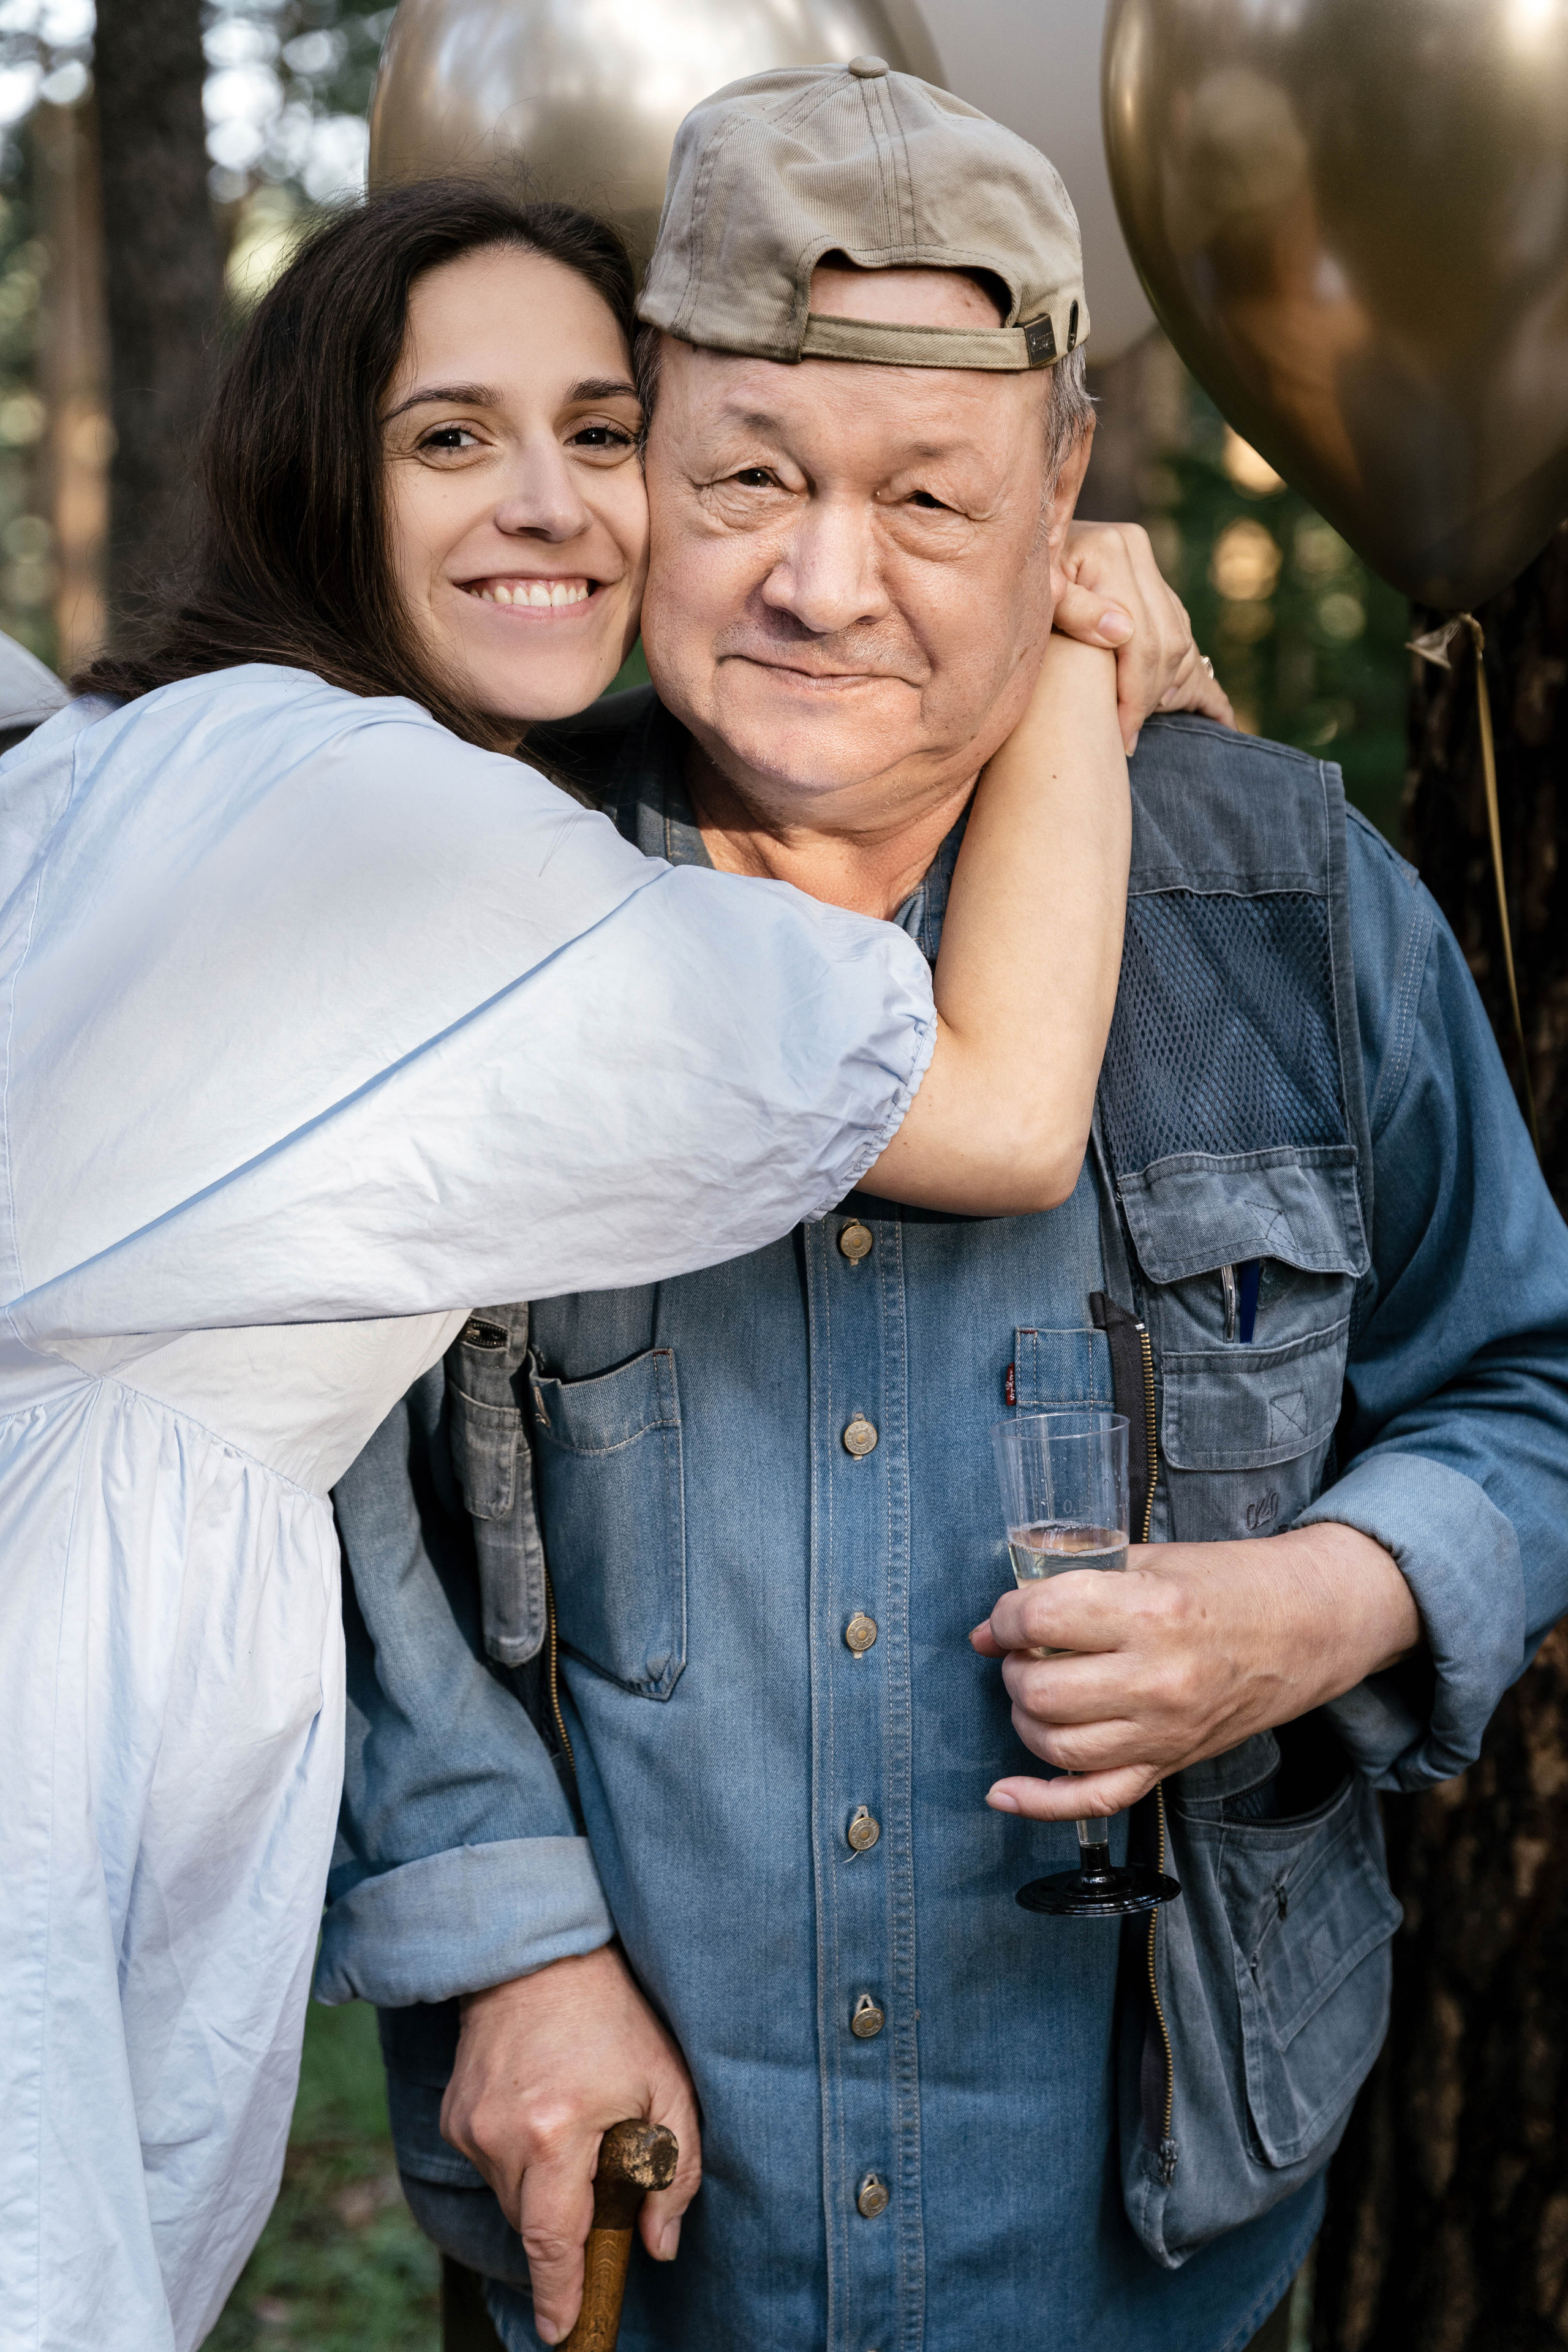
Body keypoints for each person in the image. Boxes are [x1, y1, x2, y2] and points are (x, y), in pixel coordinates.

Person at [329, 61, 1568, 2352]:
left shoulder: (1293, 903)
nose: (824, 580)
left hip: (1155, 2250)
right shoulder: (474, 901)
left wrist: (1324, 1598)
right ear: (634, 464)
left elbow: (1532, 1380)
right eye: (746, 479)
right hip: (630, 2236)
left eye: (928, 495)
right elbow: (326, 1494)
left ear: (1069, 488)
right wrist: (506, 1935)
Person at [0, 176, 1218, 2352]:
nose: (549, 505)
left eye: (601, 431)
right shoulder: (398, 825)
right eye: (450, 438)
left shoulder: (186, 759)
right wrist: (1065, 654)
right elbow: (1009, 1114)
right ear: (319, 475)